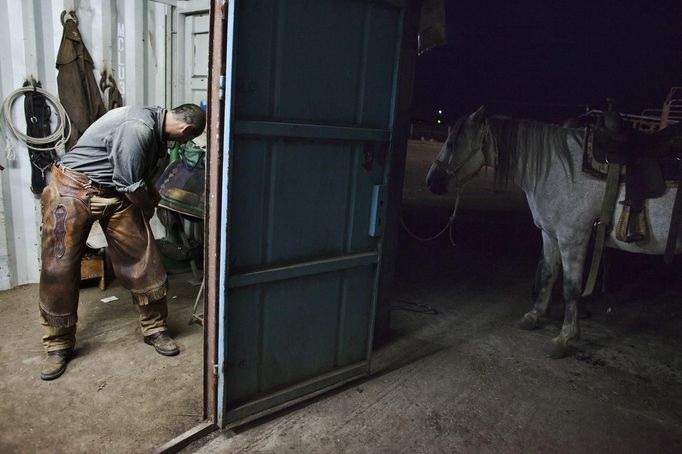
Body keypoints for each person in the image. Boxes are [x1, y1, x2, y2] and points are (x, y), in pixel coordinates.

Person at [38, 103, 206, 380]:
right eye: (188, 138)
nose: (185, 142)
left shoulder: (157, 127)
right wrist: (150, 206)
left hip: (116, 193)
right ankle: (58, 345)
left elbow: (135, 178)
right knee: (59, 267)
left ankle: (155, 328)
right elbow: (128, 181)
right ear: (186, 130)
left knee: (143, 258)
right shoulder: (138, 127)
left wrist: (152, 200)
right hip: (72, 190)